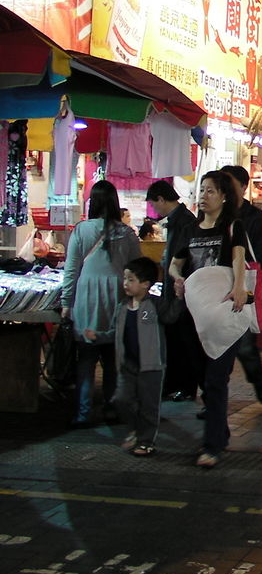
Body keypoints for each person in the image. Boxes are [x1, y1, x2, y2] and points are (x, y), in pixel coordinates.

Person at [169, 170, 253, 468]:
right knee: (204, 378)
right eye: (201, 191)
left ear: (224, 196)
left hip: (223, 311)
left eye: (210, 191)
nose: (203, 196)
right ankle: (221, 430)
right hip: (192, 316)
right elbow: (175, 264)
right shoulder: (190, 229)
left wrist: (240, 287)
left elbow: (238, 259)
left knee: (217, 379)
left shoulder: (232, 226)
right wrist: (178, 279)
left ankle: (212, 445)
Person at [62, 180, 143, 428]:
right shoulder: (127, 233)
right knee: (112, 359)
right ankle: (111, 409)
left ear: (92, 203)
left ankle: (83, 413)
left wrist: (66, 302)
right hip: (117, 297)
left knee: (86, 359)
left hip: (87, 298)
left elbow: (71, 269)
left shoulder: (81, 230)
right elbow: (137, 269)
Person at [89, 257, 177, 456]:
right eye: (125, 279)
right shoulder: (122, 307)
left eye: (131, 279)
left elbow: (171, 316)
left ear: (146, 284)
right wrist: (98, 337)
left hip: (151, 366)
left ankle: (146, 441)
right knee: (121, 399)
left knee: (149, 406)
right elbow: (114, 332)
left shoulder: (154, 305)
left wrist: (179, 298)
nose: (126, 284)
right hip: (127, 365)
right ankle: (136, 430)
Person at [220, 165, 262, 404]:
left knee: (244, 346)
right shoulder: (217, 216)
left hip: (245, 290)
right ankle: (215, 395)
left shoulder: (257, 218)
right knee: (217, 348)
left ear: (243, 187)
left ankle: (258, 380)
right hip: (219, 288)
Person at [146, 180, 200, 403]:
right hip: (176, 290)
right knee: (175, 339)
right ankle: (176, 385)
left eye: (153, 203)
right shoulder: (179, 221)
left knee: (181, 340)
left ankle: (184, 387)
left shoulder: (185, 222)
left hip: (182, 291)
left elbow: (184, 258)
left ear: (161, 199)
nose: (154, 209)